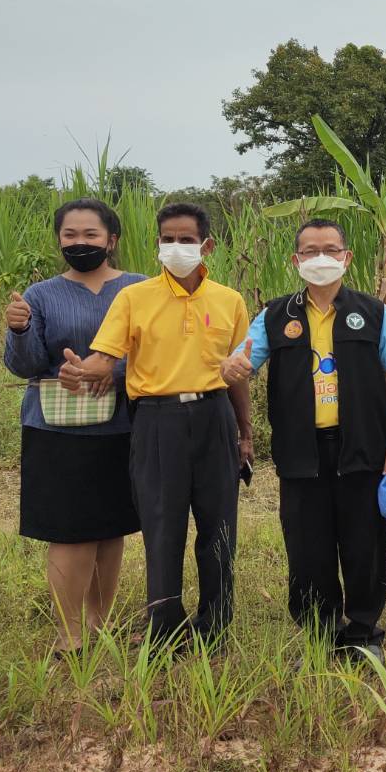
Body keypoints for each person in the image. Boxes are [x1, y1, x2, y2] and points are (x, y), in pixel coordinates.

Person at [60, 203, 253, 649]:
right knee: (163, 528)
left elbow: (239, 373)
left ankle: (215, 625)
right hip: (156, 421)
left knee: (219, 526)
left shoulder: (230, 301)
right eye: (168, 239)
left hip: (214, 416)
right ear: (157, 246)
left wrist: (244, 433)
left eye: (186, 240)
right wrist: (79, 370)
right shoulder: (133, 298)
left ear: (207, 246)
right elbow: (104, 358)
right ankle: (165, 627)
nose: (176, 247)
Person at [220, 219, 386, 661]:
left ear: (346, 257)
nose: (320, 258)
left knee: (365, 545)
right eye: (309, 251)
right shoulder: (274, 315)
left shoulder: (373, 312)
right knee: (308, 548)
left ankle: (363, 633)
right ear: (296, 260)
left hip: (361, 448)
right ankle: (321, 635)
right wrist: (233, 369)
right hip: (301, 451)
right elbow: (243, 362)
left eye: (330, 249)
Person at [3, 199, 145, 654]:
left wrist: (109, 372)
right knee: (70, 530)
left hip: (123, 423)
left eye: (90, 235)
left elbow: (156, 355)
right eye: (70, 235)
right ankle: (70, 634)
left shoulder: (140, 289)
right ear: (59, 239)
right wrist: (20, 330)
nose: (80, 243)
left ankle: (99, 623)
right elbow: (23, 366)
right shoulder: (40, 295)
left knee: (110, 526)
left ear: (112, 240)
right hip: (58, 426)